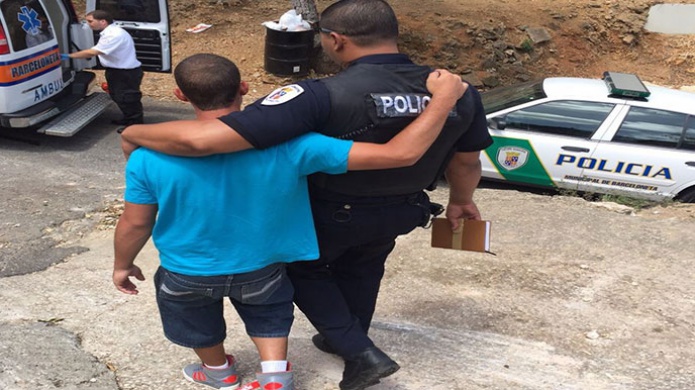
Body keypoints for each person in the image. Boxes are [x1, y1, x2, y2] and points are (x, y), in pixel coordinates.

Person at [119, 1, 493, 388]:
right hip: (402, 208)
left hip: (331, 211)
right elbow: (466, 162)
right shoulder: (458, 91)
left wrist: (133, 134)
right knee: (365, 267)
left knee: (299, 269)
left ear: (336, 40)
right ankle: (345, 336)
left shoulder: (318, 94)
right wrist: (461, 200)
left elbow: (209, 139)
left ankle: (359, 352)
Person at [65, 10, 143, 126]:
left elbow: (93, 52)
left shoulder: (113, 35)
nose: (88, 24)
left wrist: (68, 56)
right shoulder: (109, 32)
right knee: (119, 96)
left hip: (125, 73)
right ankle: (129, 119)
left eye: (90, 21)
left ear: (102, 21)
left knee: (127, 98)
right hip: (119, 71)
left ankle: (135, 125)